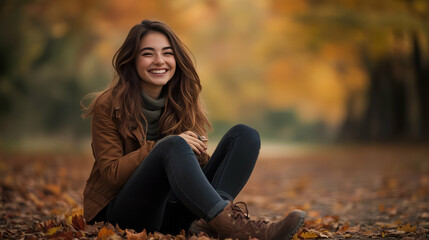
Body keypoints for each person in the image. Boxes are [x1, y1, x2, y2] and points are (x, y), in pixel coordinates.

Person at [81, 19, 305, 240]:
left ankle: (212, 221)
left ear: (176, 59)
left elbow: (186, 171)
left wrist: (196, 156)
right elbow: (111, 175)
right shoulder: (109, 105)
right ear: (132, 60)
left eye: (167, 53)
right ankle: (233, 226)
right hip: (123, 215)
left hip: (172, 215)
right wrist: (162, 147)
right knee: (173, 144)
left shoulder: (183, 100)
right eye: (148, 53)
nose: (160, 61)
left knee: (245, 135)